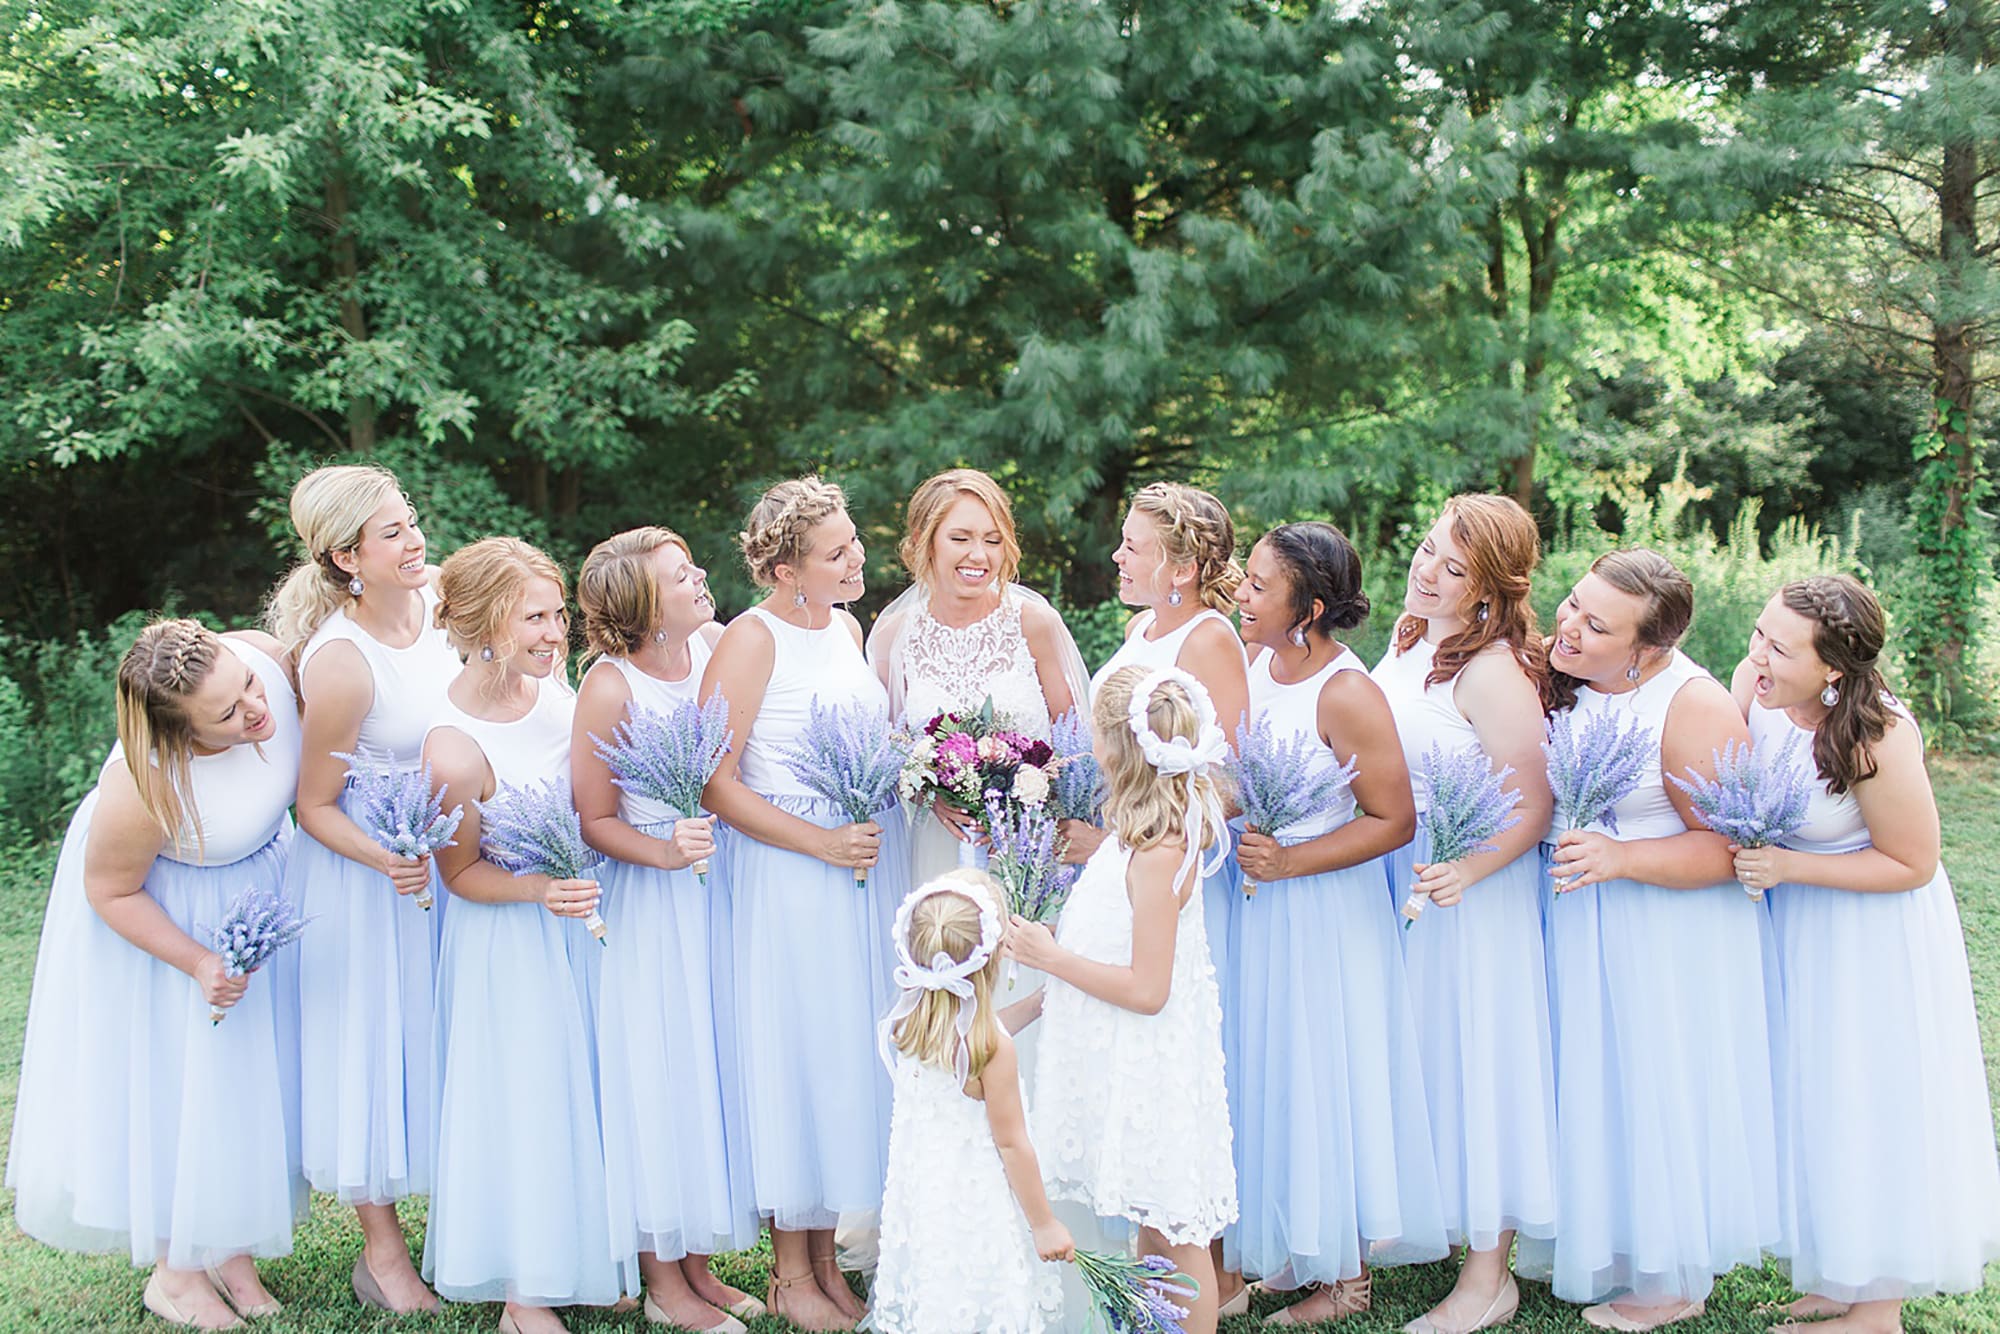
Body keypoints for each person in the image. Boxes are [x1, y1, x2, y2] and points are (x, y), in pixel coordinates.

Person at [9, 618, 305, 1330]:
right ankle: (176, 1275)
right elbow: (110, 890)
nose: (256, 710)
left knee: (245, 1086)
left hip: (257, 887)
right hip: (171, 916)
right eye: (228, 716)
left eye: (246, 690)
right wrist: (200, 961)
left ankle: (230, 1252)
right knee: (186, 1090)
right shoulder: (144, 787)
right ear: (178, 734)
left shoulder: (260, 658)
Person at [1732, 574, 2000, 1334]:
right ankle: (1833, 1273)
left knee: (1867, 1100)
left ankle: (1877, 1307)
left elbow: (1912, 861)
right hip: (1799, 930)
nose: (1758, 655)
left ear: (1834, 672)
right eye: (1759, 632)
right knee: (1812, 1095)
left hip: (1870, 939)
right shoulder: (1756, 690)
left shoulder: (1877, 732)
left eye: (1779, 648)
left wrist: (1789, 866)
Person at [1523, 550, 1782, 1330]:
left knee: (1656, 1076)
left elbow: (1734, 849)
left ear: (1649, 650)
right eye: (1572, 603)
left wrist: (1622, 856)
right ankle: (1607, 1240)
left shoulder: (1691, 706)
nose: (1567, 625)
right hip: (1583, 911)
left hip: (1667, 929)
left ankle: (1671, 1275)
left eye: (1596, 624)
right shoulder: (1567, 672)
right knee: (1599, 1077)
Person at [700, 476, 910, 1331]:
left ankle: (828, 1259)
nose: (857, 557)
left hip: (862, 870)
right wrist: (817, 842)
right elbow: (712, 781)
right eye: (837, 552)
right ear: (788, 569)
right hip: (790, 876)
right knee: (794, 1049)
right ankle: (790, 1271)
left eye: (855, 540)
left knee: (844, 1055)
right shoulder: (750, 642)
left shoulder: (849, 627)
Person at [1226, 524, 1446, 1326]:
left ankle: (1347, 1274)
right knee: (1276, 1072)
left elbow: (1392, 818)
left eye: (1257, 585)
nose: (1240, 593)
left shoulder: (1347, 693)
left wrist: (1292, 860)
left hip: (1323, 908)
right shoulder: (1256, 664)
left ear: (1308, 607)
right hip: (1260, 904)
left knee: (1327, 1072)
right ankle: (1292, 1248)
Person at [420, 538, 631, 1334]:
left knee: (585, 1090)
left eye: (558, 616)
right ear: (481, 623)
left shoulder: (553, 693)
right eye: (533, 618)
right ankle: (523, 1292)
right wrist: (542, 889)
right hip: (507, 940)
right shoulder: (451, 747)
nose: (555, 633)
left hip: (577, 927)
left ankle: (583, 1256)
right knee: (527, 1101)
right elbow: (461, 873)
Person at [268, 463, 458, 1314]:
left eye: (410, 520)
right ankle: (382, 1254)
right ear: (346, 557)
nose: (415, 539)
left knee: (447, 1043)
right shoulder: (340, 661)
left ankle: (466, 1222)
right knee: (375, 1053)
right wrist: (385, 858)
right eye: (392, 533)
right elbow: (312, 806)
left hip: (454, 861)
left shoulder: (447, 600)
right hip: (370, 874)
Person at [1370, 494, 1556, 1334]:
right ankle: (1434, 1222)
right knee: (1423, 1055)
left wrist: (1466, 872)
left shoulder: (1493, 669)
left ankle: (1489, 1277)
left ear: (1490, 589)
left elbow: (1533, 805)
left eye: (1452, 566)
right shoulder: (1413, 637)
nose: (1427, 569)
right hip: (1399, 878)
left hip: (1472, 895)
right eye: (1426, 548)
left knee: (1481, 1064)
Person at [1008, 664, 1238, 1334]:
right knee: (1151, 1225)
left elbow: (1148, 987)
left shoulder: (1159, 849)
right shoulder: (1142, 829)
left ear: (1115, 749)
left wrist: (1052, 957)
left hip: (1151, 1060)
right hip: (1122, 1057)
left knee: (1174, 1224)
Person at [572, 527, 762, 1331]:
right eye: (681, 577)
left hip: (719, 895)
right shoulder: (609, 689)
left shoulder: (717, 648)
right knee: (660, 1074)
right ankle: (663, 1278)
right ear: (646, 607)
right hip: (652, 905)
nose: (700, 581)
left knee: (708, 1071)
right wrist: (661, 850)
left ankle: (701, 1264)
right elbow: (591, 819)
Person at [1078, 482, 1249, 1312]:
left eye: (1134, 546)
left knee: (1169, 1128)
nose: (1118, 557)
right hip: (1119, 851)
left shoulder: (1210, 639)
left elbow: (1226, 775)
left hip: (1162, 870)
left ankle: (1194, 1293)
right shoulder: (1143, 628)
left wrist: (1132, 835)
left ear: (1180, 565)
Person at [871, 869, 1073, 1333]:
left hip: (930, 1202)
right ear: (991, 961)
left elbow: (980, 1029)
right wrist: (1043, 1223)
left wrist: (1042, 1002)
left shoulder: (910, 1025)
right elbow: (1012, 1144)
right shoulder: (993, 1051)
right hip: (980, 1209)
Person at [867, 468, 1088, 883]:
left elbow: (1078, 747)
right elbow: (888, 754)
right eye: (960, 538)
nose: (979, 556)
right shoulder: (893, 637)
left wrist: (1023, 795)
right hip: (935, 850)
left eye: (993, 540)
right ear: (924, 541)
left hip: (1027, 847)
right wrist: (931, 797)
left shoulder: (1033, 623)